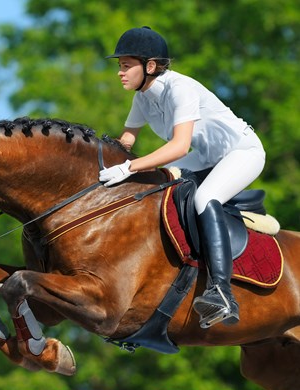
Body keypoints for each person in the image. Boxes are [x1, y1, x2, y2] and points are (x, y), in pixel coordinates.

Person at [99, 26, 266, 329]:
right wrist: (99, 165)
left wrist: (130, 168)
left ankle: (222, 293)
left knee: (204, 197)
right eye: (119, 67)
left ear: (150, 66)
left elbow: (178, 145)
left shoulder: (181, 88)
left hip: (241, 152)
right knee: (153, 185)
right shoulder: (142, 98)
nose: (120, 73)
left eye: (126, 66)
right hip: (206, 155)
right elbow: (125, 143)